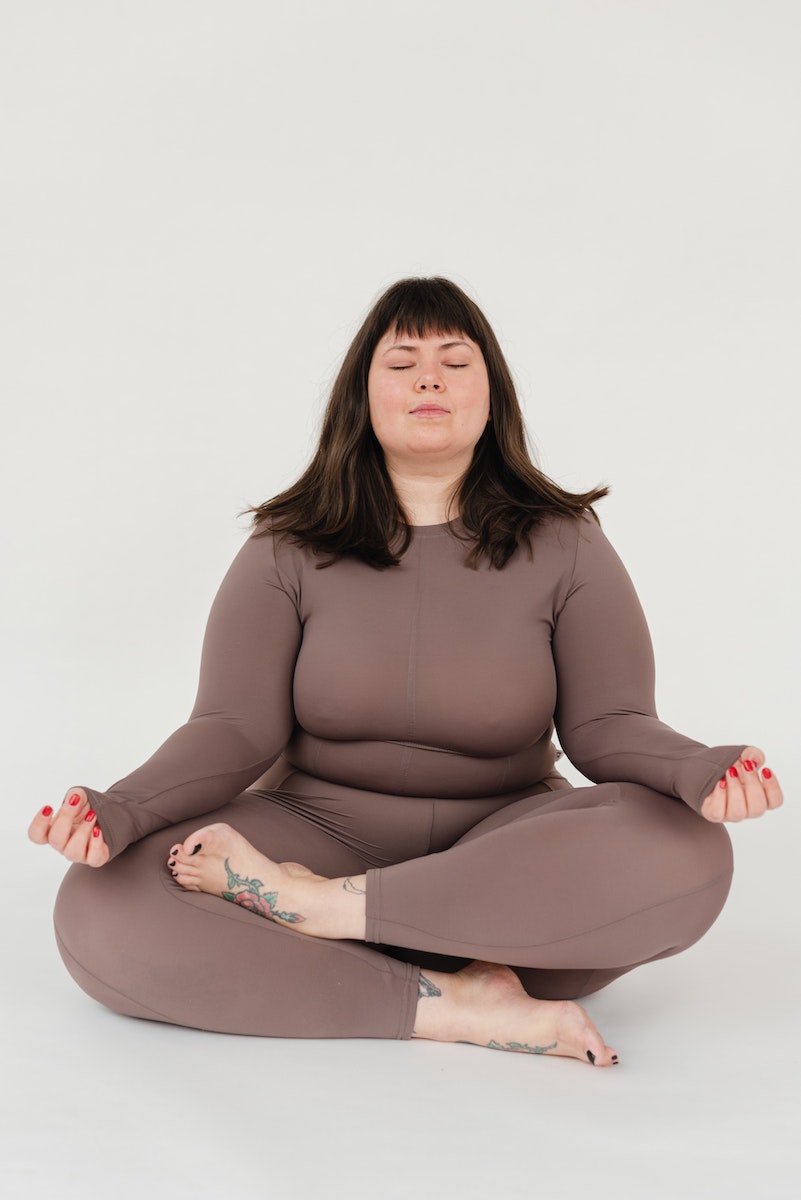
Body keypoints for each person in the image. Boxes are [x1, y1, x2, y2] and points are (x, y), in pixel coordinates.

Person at [28, 277, 782, 1068]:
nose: (429, 378)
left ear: (491, 395)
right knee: (101, 903)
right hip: (313, 833)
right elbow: (230, 729)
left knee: (690, 850)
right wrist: (121, 810)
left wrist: (698, 769)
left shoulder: (566, 544)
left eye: (455, 361)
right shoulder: (285, 546)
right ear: (362, 396)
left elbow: (609, 725)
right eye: (403, 363)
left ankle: (322, 919)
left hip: (498, 869)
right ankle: (453, 1001)